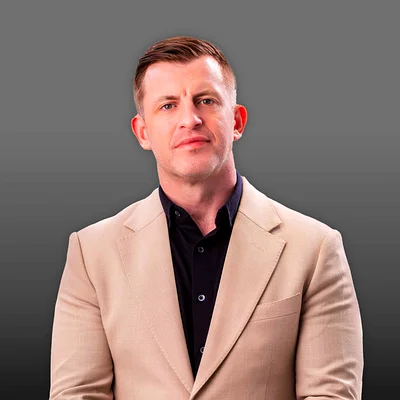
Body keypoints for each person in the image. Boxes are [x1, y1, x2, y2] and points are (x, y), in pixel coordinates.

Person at [49, 36, 363, 399]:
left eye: (206, 100)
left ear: (237, 121)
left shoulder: (315, 248)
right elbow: (77, 393)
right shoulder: (92, 253)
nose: (190, 119)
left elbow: (331, 394)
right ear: (143, 132)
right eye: (168, 105)